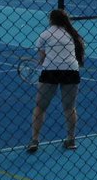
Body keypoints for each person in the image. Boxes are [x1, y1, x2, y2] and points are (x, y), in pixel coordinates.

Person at [27, 8, 85, 153]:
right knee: (69, 107)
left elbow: (42, 58)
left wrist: (42, 63)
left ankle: (34, 140)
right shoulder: (73, 34)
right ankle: (71, 139)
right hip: (71, 71)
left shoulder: (45, 34)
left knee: (40, 106)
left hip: (51, 71)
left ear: (50, 20)